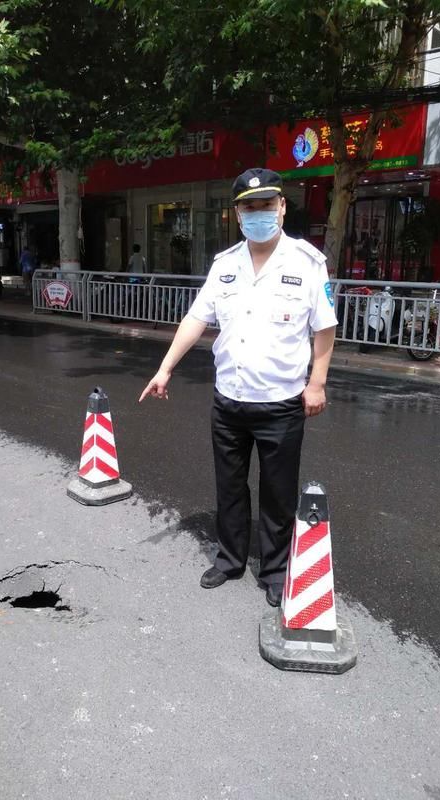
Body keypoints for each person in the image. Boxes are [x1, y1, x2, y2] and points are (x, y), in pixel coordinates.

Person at [139, 168, 337, 607]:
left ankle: (275, 570)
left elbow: (324, 329)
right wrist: (165, 367)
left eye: (267, 205)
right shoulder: (225, 265)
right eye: (250, 206)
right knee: (229, 487)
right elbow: (196, 319)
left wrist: (317, 383)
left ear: (282, 207)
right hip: (229, 401)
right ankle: (229, 559)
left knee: (278, 493)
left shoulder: (306, 263)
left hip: (281, 402)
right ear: (237, 213)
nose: (259, 214)